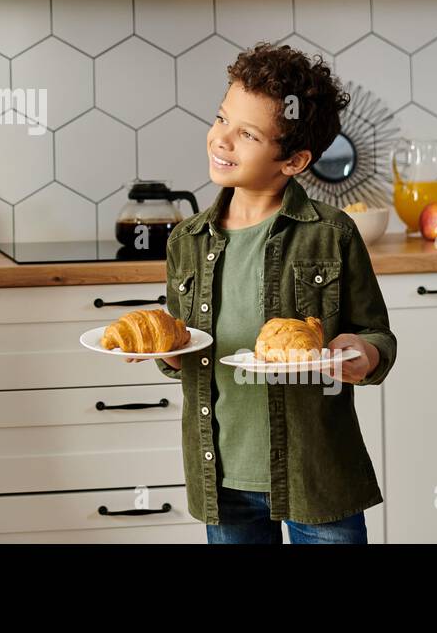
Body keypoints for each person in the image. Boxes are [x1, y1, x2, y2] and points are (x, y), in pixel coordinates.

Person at [155, 42, 396, 543]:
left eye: (247, 133)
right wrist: (163, 346)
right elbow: (182, 350)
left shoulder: (332, 234)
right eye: (222, 119)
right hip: (221, 477)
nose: (222, 140)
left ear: (293, 160)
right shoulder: (187, 241)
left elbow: (376, 332)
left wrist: (363, 354)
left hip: (316, 475)